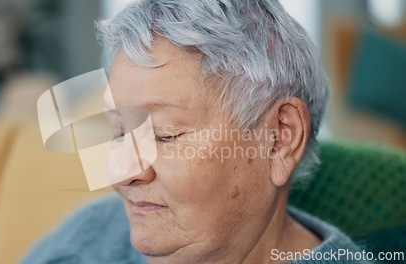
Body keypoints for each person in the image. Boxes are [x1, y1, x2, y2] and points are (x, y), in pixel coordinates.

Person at [23, 0, 370, 263]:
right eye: (118, 133)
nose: (122, 173)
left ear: (278, 139)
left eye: (165, 134)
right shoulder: (89, 236)